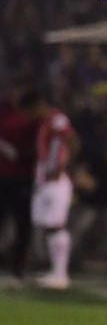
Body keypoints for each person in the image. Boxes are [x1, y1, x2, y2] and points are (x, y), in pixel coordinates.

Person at [24, 90, 78, 290]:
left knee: (56, 225)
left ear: (37, 105)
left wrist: (67, 166)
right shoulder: (46, 123)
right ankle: (56, 272)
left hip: (56, 180)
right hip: (46, 179)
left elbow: (71, 140)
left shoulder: (57, 120)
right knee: (48, 226)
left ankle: (61, 275)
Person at [0, 92, 37, 279]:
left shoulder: (28, 119)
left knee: (22, 223)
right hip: (4, 177)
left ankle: (19, 265)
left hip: (21, 177)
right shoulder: (5, 115)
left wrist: (20, 154)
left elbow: (35, 147)